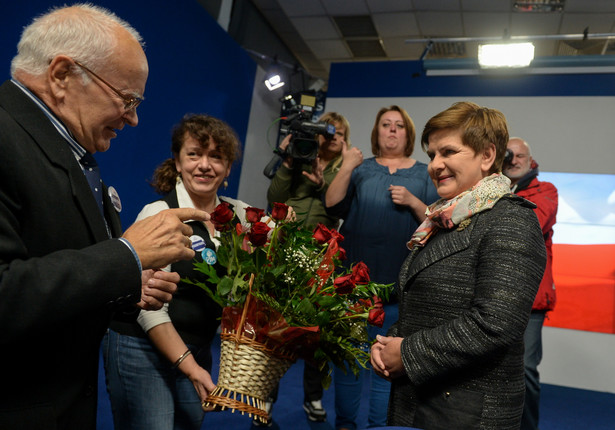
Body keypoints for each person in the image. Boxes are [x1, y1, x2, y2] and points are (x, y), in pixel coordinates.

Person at [0, 5, 209, 430]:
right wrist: (126, 258)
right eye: (127, 99)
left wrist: (129, 286)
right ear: (61, 75)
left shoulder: (69, 152)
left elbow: (52, 264)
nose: (133, 118)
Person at [371, 101, 547, 430]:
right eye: (432, 154)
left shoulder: (512, 219)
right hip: (421, 400)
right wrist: (389, 345)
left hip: (467, 412)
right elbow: (427, 306)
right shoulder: (444, 218)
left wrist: (407, 353)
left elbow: (495, 324)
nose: (435, 165)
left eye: (448, 152)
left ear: (487, 156)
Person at [104, 114, 250, 430]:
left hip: (195, 346)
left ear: (227, 167)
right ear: (178, 161)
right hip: (140, 344)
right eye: (194, 154)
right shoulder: (159, 215)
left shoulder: (238, 213)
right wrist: (191, 368)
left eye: (216, 156)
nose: (204, 165)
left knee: (190, 422)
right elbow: (149, 312)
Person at [324, 105, 439, 430]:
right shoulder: (360, 168)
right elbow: (332, 204)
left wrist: (414, 202)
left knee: (386, 365)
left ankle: (379, 427)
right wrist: (346, 166)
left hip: (399, 290)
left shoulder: (423, 172)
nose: (391, 130)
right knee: (347, 363)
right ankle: (345, 424)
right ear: (376, 132)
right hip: (351, 287)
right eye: (385, 125)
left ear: (408, 133)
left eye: (398, 125)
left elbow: (438, 222)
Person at [266, 112, 350, 424]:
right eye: (326, 131)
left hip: (322, 253)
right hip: (287, 247)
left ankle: (313, 396)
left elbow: (340, 204)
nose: (331, 137)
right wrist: (289, 162)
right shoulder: (300, 155)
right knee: (276, 328)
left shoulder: (347, 168)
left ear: (344, 139)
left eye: (338, 133)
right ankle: (266, 397)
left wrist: (322, 181)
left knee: (317, 331)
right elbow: (274, 197)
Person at [504, 137, 558, 430]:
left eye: (519, 155)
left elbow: (530, 224)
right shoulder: (493, 187)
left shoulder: (546, 190)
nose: (513, 160)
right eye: (507, 155)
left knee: (524, 369)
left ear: (530, 159)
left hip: (531, 299)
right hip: (496, 293)